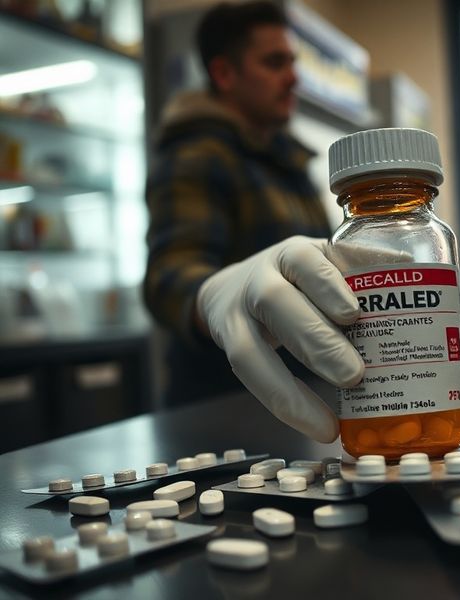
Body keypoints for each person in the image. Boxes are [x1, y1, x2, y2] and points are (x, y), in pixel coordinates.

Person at [144, 1, 363, 442]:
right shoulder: (197, 154)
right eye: (274, 62)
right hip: (219, 414)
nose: (293, 77)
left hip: (304, 400)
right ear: (224, 74)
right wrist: (215, 296)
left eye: (293, 62)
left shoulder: (289, 162)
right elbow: (168, 277)